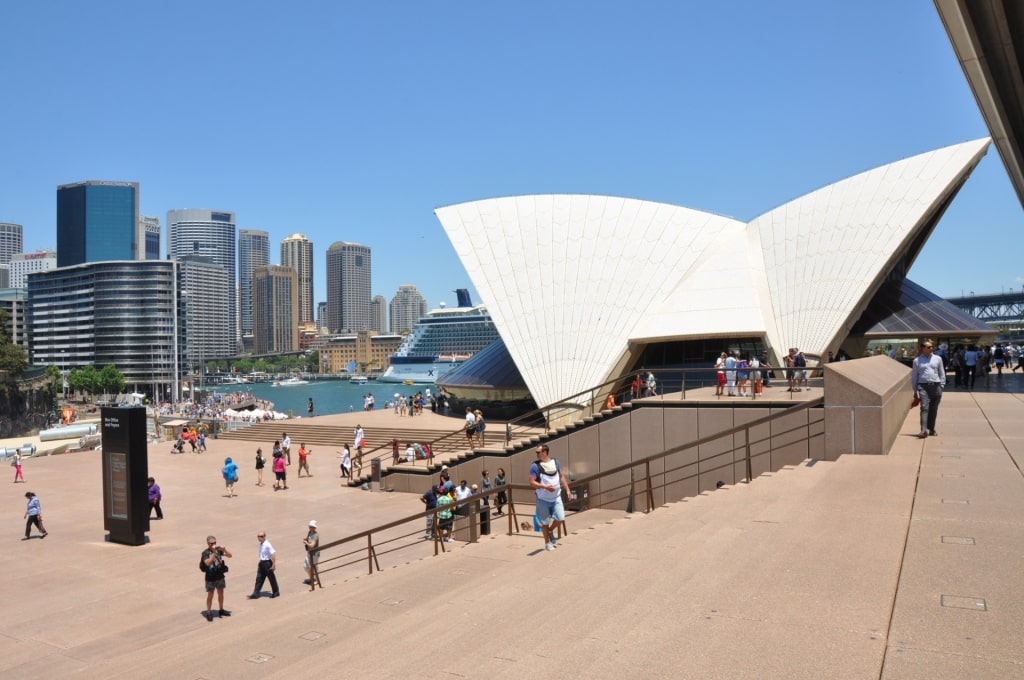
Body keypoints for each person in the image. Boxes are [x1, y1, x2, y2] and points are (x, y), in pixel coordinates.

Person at [529, 445, 572, 551]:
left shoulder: (556, 462)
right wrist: (545, 487)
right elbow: (531, 482)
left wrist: (567, 490)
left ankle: (550, 530)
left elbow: (561, 476)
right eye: (536, 452)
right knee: (544, 522)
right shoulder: (535, 466)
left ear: (545, 452)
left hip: (556, 498)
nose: (537, 454)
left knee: (560, 518)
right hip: (543, 499)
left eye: (538, 452)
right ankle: (547, 543)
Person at [911, 340, 945, 438]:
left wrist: (941, 385)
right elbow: (914, 376)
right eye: (929, 347)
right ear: (923, 348)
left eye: (932, 347)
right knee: (924, 408)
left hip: (936, 386)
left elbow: (942, 373)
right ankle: (923, 430)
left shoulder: (938, 359)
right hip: (923, 386)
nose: (931, 348)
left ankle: (932, 429)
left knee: (933, 409)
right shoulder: (917, 361)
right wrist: (914, 391)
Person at [200, 535, 233, 621]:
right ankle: (209, 612)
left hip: (219, 575)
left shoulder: (218, 550)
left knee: (221, 592)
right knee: (210, 594)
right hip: (210, 577)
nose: (213, 544)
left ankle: (221, 610)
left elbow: (230, 555)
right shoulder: (205, 553)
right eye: (211, 543)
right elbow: (207, 563)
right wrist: (214, 553)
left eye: (215, 542)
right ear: (208, 544)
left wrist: (224, 549)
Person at [248, 530, 280, 599]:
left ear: (264, 537)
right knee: (259, 578)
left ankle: (276, 592)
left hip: (267, 563)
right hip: (262, 563)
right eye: (259, 536)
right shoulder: (261, 544)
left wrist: (274, 564)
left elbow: (273, 553)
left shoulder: (267, 544)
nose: (260, 538)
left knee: (271, 578)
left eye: (261, 536)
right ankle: (256, 593)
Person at [303, 520, 320, 590]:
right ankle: (312, 578)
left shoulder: (316, 535)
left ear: (314, 528)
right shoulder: (309, 532)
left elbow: (312, 545)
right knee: (306, 566)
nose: (310, 528)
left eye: (312, 527)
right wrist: (306, 539)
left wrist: (306, 543)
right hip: (309, 552)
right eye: (310, 527)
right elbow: (308, 538)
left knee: (313, 567)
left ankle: (314, 580)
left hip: (314, 554)